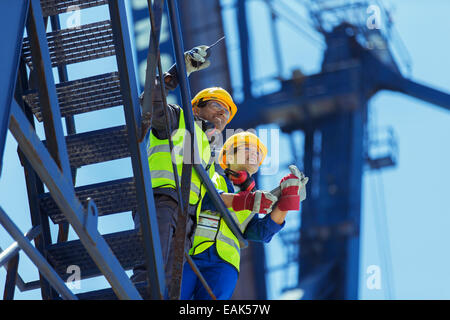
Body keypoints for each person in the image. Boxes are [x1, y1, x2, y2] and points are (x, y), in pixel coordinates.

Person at [131, 47, 278, 293]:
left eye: (227, 113)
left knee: (169, 285)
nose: (222, 113)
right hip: (163, 199)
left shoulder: (207, 154)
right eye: (216, 106)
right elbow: (150, 104)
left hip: (188, 215)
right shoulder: (178, 119)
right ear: (196, 108)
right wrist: (177, 73)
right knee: (152, 269)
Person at [180, 131, 309, 300]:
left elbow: (260, 232)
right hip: (190, 252)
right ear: (228, 156)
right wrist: (245, 201)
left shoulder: (251, 197)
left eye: (258, 153)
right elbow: (203, 198)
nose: (255, 154)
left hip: (224, 264)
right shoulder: (209, 175)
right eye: (248, 148)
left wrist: (286, 202)